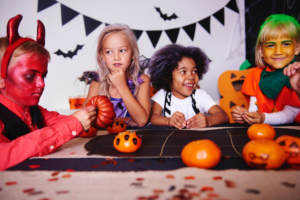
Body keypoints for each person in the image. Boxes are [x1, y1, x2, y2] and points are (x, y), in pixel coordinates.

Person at [0, 15, 97, 171]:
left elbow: (61, 121)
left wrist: (93, 118)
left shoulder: (34, 111)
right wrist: (73, 124)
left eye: (43, 75)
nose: (42, 84)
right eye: (30, 76)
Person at [232, 14, 300, 125]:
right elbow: (255, 111)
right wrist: (246, 115)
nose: (278, 51)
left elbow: (290, 115)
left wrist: (263, 118)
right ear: (261, 51)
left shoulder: (297, 75)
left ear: (297, 48)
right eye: (271, 45)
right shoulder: (255, 75)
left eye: (286, 44)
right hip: (263, 132)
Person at [83, 24, 151, 127]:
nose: (116, 57)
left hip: (131, 138)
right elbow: (85, 119)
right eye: (109, 52)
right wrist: (126, 120)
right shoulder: (97, 83)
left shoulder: (142, 80)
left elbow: (142, 121)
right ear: (102, 56)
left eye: (122, 50)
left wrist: (121, 86)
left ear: (133, 53)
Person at [149, 44, 229, 129]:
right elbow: (153, 117)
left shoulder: (200, 95)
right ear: (167, 77)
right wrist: (169, 121)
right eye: (183, 71)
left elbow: (224, 116)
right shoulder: (162, 95)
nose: (191, 76)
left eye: (194, 71)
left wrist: (208, 121)